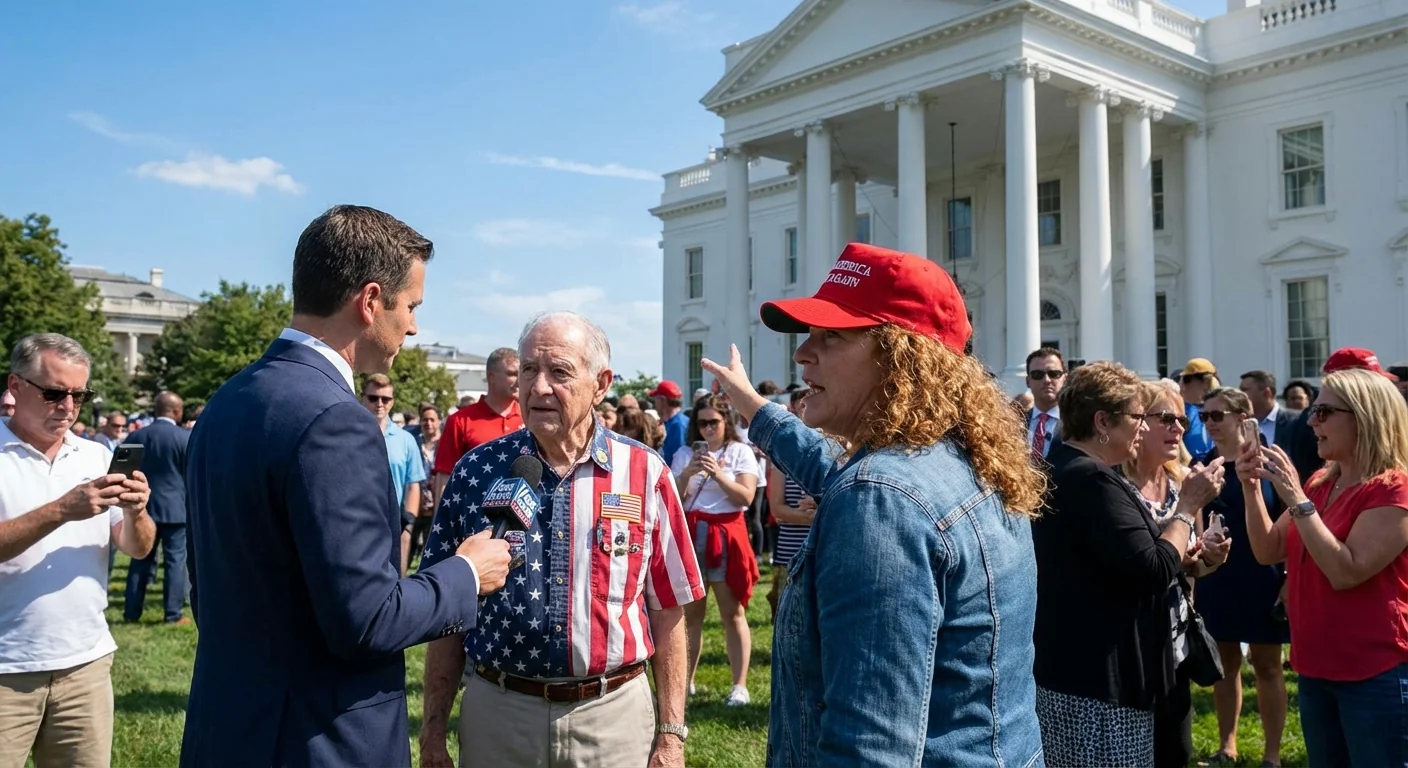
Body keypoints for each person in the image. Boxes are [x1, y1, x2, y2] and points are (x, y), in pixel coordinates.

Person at [180, 205, 511, 768]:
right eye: (410, 306)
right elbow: (367, 618)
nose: (413, 326)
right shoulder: (335, 418)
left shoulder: (229, 398)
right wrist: (465, 573)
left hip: (230, 722)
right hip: (315, 737)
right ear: (370, 300)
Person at [702, 243, 1048, 765]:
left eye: (830, 337)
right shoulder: (962, 461)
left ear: (901, 358)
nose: (802, 353)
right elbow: (833, 470)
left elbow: (869, 748)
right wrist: (752, 405)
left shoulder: (882, 498)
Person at [418, 311, 702, 768]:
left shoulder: (645, 474)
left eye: (560, 372)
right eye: (529, 369)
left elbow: (668, 608)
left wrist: (670, 736)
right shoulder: (476, 472)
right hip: (499, 714)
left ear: (601, 383)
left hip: (612, 718)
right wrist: (432, 733)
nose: (539, 386)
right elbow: (448, 614)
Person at [1034, 361, 1226, 766]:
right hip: (1100, 682)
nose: (1143, 428)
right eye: (1138, 417)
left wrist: (1187, 557)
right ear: (1103, 421)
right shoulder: (1091, 479)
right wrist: (1188, 506)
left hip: (1077, 669)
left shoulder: (1067, 467)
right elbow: (1151, 570)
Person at [1239, 367, 1408, 767]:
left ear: (1365, 417)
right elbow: (1267, 550)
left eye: (1324, 412)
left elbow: (1346, 571)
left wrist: (1296, 498)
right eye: (1314, 410)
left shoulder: (1394, 488)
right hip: (1315, 667)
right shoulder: (1320, 483)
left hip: (1375, 670)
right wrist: (1251, 488)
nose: (1311, 421)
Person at [0, 333, 154, 768]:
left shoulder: (96, 456)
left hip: (83, 664)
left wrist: (137, 512)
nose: (68, 406)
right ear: (15, 386)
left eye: (79, 395)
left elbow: (138, 549)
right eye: (54, 393)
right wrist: (61, 510)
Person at [1120, 380, 1231, 768]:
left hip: (1176, 645)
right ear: (1137, 423)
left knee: (1176, 752)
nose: (1179, 428)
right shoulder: (1115, 484)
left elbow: (1190, 563)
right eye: (1167, 418)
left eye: (1183, 419)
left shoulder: (1184, 481)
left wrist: (1210, 557)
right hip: (1128, 647)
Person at [1194, 386, 1289, 767]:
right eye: (1204, 417)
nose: (1210, 423)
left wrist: (1287, 578)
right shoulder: (1203, 465)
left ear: (1240, 417)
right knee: (1224, 664)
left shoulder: (1268, 464)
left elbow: (1290, 519)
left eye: (1217, 415)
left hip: (1263, 573)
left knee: (1267, 665)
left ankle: (1272, 754)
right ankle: (1227, 744)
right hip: (1218, 575)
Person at [671, 394, 759, 706]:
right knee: (691, 613)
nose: (707, 428)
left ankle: (739, 685)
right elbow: (674, 499)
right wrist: (687, 474)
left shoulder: (740, 452)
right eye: (702, 422)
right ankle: (687, 680)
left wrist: (718, 474)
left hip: (727, 533)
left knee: (732, 611)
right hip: (693, 533)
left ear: (726, 422)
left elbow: (746, 497)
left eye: (714, 422)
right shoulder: (684, 454)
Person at [121, 391, 191, 625]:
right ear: (176, 411)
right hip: (175, 509)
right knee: (175, 562)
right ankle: (173, 613)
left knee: (140, 559)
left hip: (142, 507)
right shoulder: (184, 438)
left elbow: (120, 471)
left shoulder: (135, 436)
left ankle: (131, 612)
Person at [433, 347, 522, 503]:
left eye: (521, 374)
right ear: (491, 377)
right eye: (512, 374)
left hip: (523, 521)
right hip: (472, 517)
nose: (519, 380)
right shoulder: (459, 420)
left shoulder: (530, 417)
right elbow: (445, 478)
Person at [360, 374, 425, 578]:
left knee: (396, 580)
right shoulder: (350, 434)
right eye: (373, 398)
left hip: (395, 522)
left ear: (392, 402)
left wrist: (409, 524)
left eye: (385, 399)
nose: (380, 404)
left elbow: (413, 483)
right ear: (363, 398)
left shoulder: (406, 440)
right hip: (358, 519)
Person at [1024, 347, 1065, 461]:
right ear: (1028, 381)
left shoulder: (1078, 423)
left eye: (1054, 374)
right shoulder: (1015, 423)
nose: (1047, 380)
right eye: (1038, 374)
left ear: (1065, 379)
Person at [1180, 358, 1219, 456]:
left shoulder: (1186, 412)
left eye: (1187, 380)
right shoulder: (1183, 410)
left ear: (1205, 383)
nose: (1183, 386)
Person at [651, 380, 688, 462]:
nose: (654, 403)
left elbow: (677, 460)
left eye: (656, 399)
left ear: (662, 400)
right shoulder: (671, 422)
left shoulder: (678, 425)